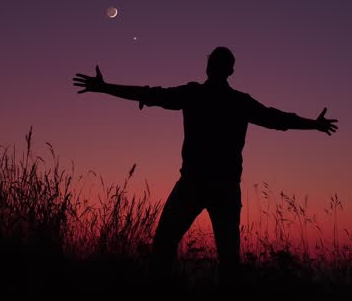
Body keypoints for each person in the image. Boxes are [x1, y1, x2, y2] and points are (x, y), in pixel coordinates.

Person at [72, 46, 338, 284]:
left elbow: (149, 94)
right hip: (217, 186)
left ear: (212, 67)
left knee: (169, 246)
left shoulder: (198, 95)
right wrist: (312, 124)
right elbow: (277, 119)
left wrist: (105, 88)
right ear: (229, 70)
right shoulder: (230, 100)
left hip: (199, 184)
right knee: (222, 258)